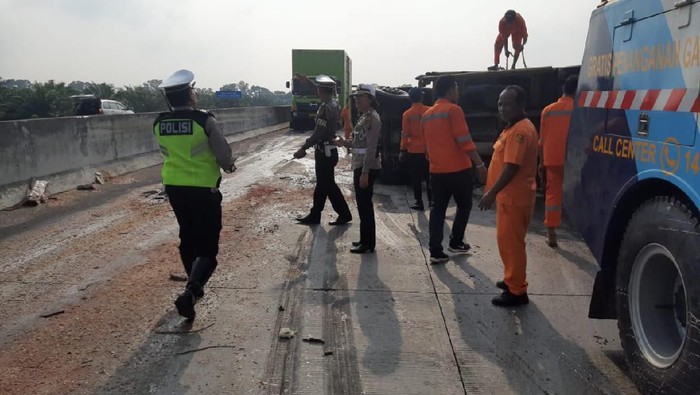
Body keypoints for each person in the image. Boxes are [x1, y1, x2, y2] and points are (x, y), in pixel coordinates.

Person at [154, 69, 236, 321]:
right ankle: (191, 291)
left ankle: (193, 283)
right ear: (189, 95)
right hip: (203, 188)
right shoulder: (204, 120)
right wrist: (230, 165)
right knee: (208, 247)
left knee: (187, 236)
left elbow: (167, 152)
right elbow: (223, 154)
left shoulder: (159, 122)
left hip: (175, 188)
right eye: (193, 90)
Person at [478, 85, 538, 307]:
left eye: (507, 104)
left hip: (513, 198)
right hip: (511, 198)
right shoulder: (513, 128)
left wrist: (491, 193)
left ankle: (517, 292)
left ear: (520, 105)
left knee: (511, 244)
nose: (502, 108)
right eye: (500, 104)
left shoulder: (519, 132)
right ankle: (512, 279)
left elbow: (512, 167)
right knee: (509, 242)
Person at [422, 76, 487, 264]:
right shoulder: (453, 110)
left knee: (437, 209)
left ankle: (435, 251)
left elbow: (426, 148)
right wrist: (480, 164)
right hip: (459, 170)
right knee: (464, 206)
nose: (458, 93)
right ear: (450, 90)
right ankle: (456, 242)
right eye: (457, 89)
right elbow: (464, 140)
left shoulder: (427, 115)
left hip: (436, 171)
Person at [293, 74, 352, 226]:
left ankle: (344, 214)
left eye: (318, 88)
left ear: (320, 90)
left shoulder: (325, 108)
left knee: (328, 185)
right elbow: (323, 91)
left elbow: (319, 132)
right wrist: (310, 84)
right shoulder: (334, 103)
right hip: (329, 150)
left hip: (324, 152)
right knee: (323, 185)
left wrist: (304, 147)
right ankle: (316, 214)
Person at [336, 84, 382, 254]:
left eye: (360, 97)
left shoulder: (372, 118)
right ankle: (365, 239)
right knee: (362, 205)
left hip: (366, 166)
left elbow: (371, 147)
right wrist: (344, 143)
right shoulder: (363, 117)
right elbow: (357, 143)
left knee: (365, 205)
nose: (356, 100)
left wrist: (365, 172)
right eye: (356, 97)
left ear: (370, 99)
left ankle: (368, 244)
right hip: (359, 163)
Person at [539, 75, 577, 248]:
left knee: (553, 194)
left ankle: (551, 234)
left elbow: (542, 140)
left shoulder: (548, 110)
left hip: (552, 159)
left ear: (564, 89)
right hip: (575, 160)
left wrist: (541, 163)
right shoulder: (581, 109)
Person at [399, 87, 432, 211]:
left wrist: (403, 150)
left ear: (410, 98)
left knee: (416, 178)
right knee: (430, 178)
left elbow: (405, 134)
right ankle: (431, 201)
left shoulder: (407, 114)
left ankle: (419, 202)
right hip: (428, 151)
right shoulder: (430, 111)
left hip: (413, 151)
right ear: (421, 97)